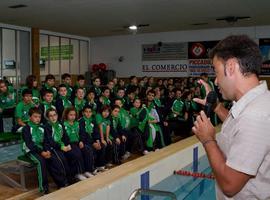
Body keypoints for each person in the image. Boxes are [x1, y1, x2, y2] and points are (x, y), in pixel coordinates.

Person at [192, 35, 270, 199]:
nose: (216, 81)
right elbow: (240, 128)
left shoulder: (255, 115)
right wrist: (217, 107)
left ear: (231, 67)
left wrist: (208, 140)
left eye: (216, 71)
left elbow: (230, 185)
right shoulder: (256, 103)